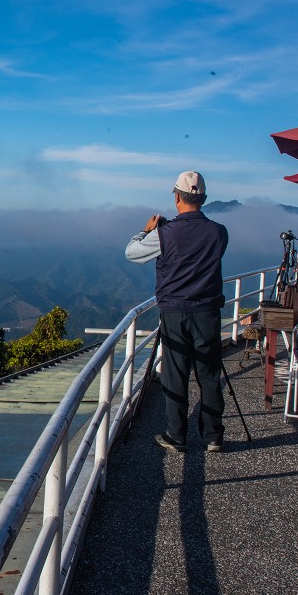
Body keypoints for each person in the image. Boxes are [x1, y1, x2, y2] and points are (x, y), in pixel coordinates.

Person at [126, 171, 229, 453]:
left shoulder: (164, 234)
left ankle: (177, 435)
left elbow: (131, 253)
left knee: (176, 373)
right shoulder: (219, 232)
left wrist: (146, 230)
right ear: (204, 199)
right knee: (208, 372)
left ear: (176, 197)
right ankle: (213, 436)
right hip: (208, 310)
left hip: (174, 311)